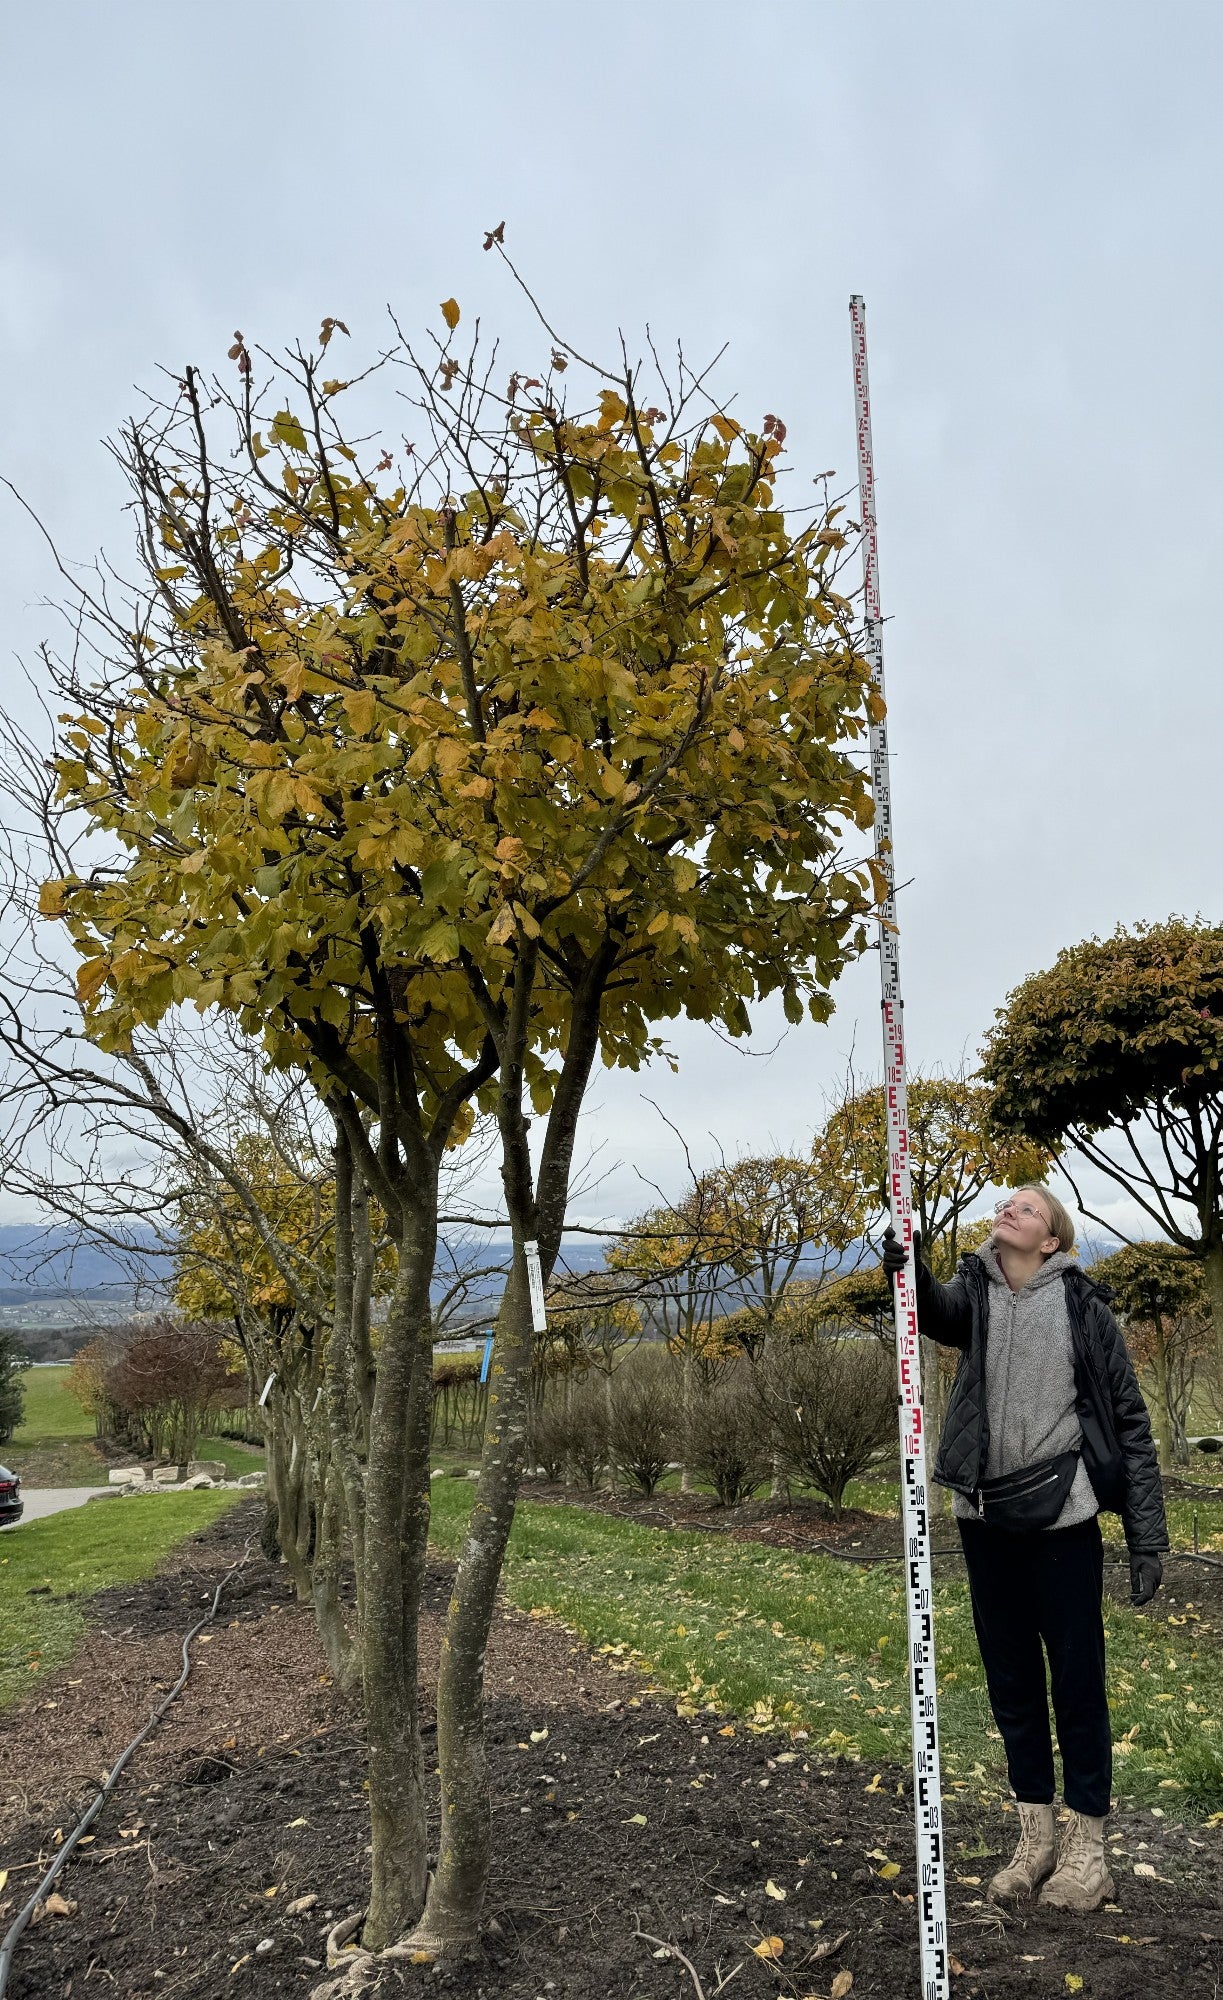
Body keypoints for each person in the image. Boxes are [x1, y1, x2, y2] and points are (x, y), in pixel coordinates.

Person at [880, 1186, 1167, 1913]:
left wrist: (1145, 1537)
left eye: (1027, 1208)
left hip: (1064, 1524)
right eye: (1006, 1203)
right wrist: (905, 1260)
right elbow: (934, 1314)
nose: (1009, 1209)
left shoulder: (1081, 1308)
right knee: (1011, 1687)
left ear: (1049, 1241)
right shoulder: (971, 1292)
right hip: (984, 1520)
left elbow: (1128, 1422)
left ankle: (1086, 1854)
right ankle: (1033, 1841)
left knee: (1075, 1687)